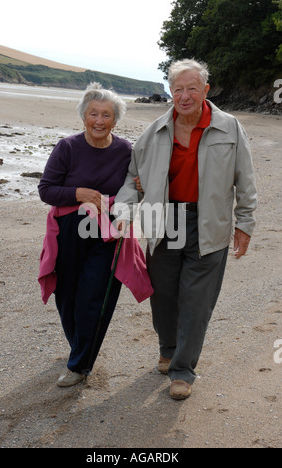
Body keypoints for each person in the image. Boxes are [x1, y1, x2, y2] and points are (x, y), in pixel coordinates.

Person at [113, 59, 257, 400]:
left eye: (193, 88)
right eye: (178, 88)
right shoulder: (154, 131)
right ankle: (168, 347)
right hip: (164, 221)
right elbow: (133, 178)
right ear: (170, 92)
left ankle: (183, 370)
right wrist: (124, 211)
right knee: (163, 294)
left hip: (210, 223)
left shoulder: (230, 127)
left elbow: (246, 181)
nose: (185, 95)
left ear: (206, 90)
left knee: (196, 299)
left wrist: (245, 223)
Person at [38, 83, 132, 388]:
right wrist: (76, 193)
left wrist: (138, 188)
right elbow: (46, 190)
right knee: (67, 296)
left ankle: (79, 364)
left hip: (107, 233)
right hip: (68, 231)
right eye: (94, 113)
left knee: (94, 297)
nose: (100, 120)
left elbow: (135, 185)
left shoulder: (126, 150)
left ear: (115, 120)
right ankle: (80, 345)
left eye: (107, 115)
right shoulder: (67, 147)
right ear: (84, 117)